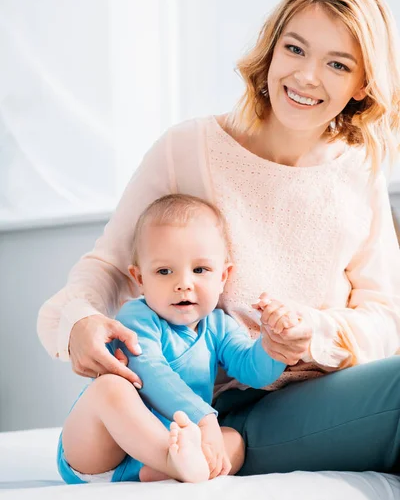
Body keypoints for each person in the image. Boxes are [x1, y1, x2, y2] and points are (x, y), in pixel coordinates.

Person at [39, 0, 400, 475]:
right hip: (201, 404)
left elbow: (386, 318)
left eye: (337, 64)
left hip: (307, 397)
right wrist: (78, 321)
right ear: (271, 51)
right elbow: (109, 267)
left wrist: (308, 330)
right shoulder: (188, 149)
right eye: (294, 50)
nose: (306, 77)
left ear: (364, 83)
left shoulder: (358, 170)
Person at [57, 194, 287, 484]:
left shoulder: (219, 326)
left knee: (234, 441)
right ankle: (170, 460)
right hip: (101, 451)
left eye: (200, 269)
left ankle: (170, 468)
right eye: (164, 271)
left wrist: (275, 345)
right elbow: (151, 373)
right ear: (140, 279)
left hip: (172, 448)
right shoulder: (136, 318)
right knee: (110, 387)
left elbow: (253, 371)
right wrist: (204, 418)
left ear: (223, 276)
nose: (183, 283)